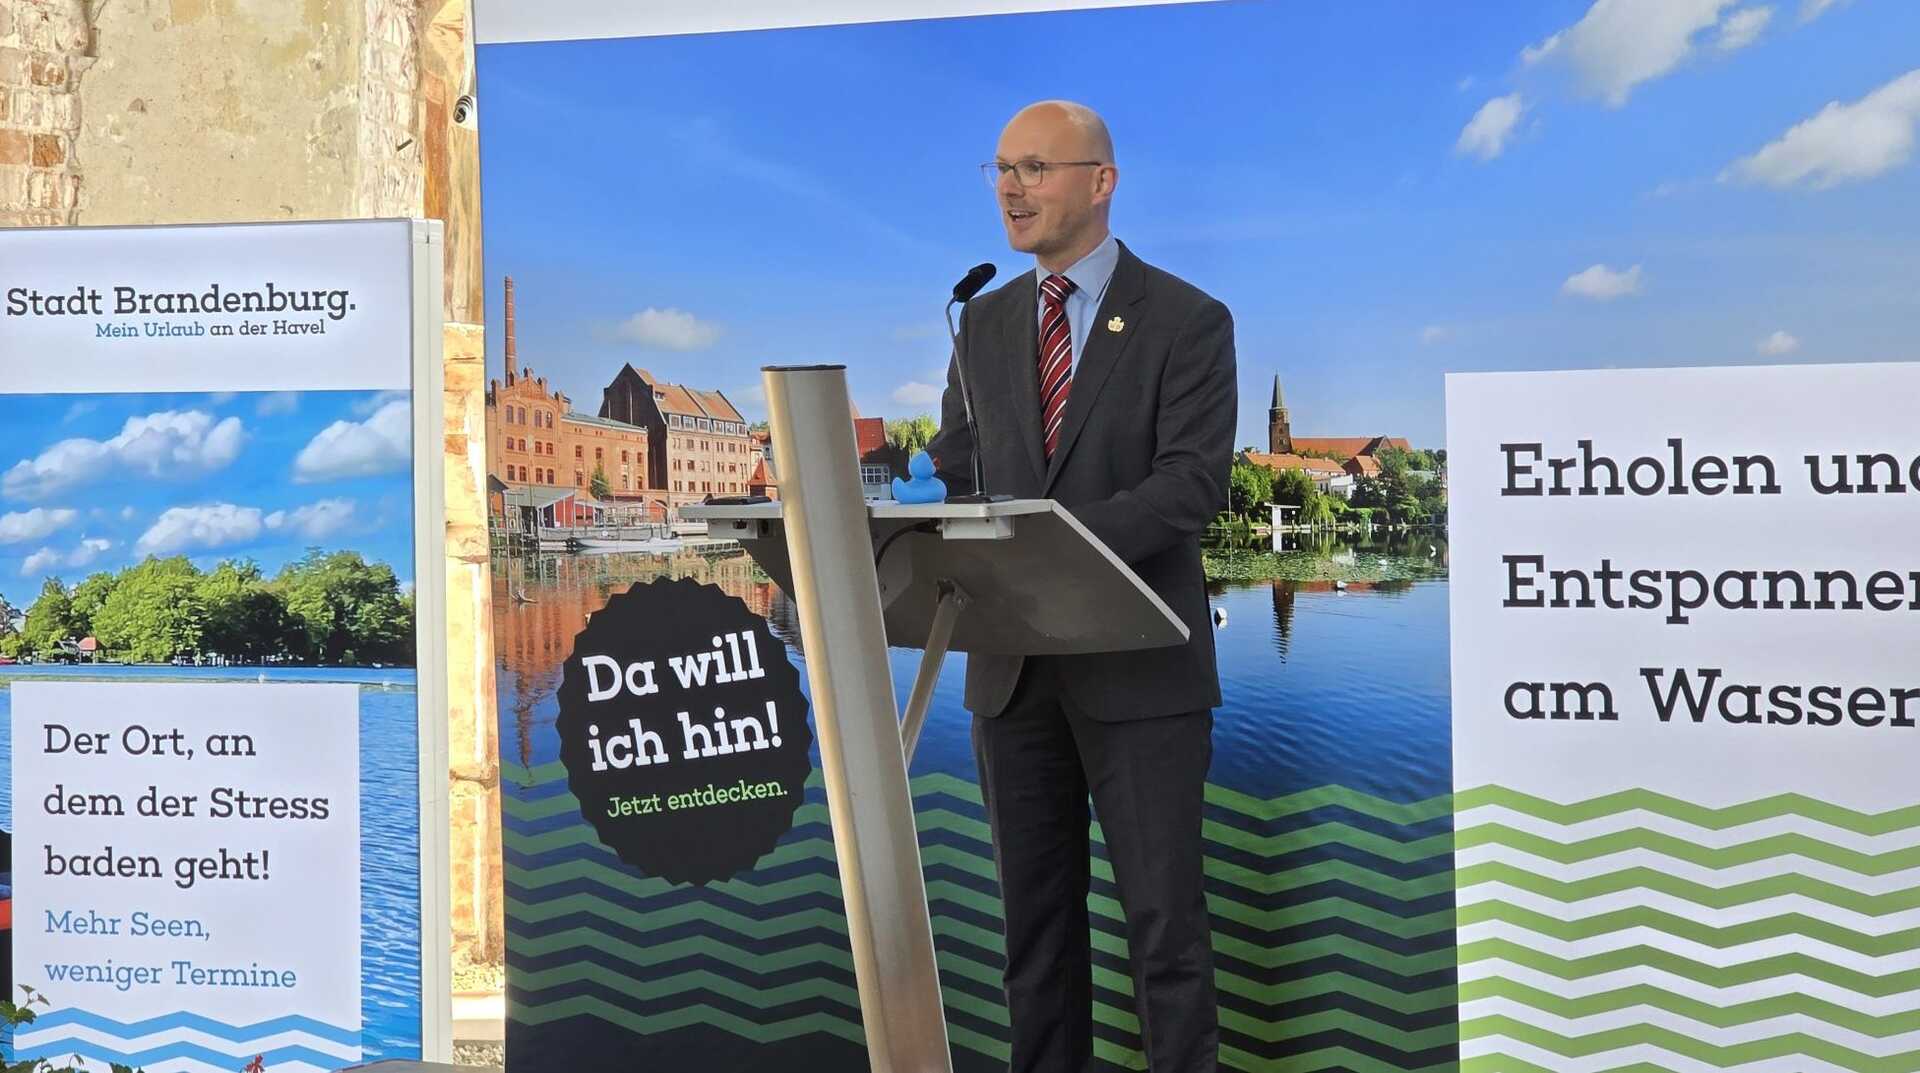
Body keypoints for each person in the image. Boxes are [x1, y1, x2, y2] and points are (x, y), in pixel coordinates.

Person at [928, 100, 1236, 1073]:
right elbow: (963, 469)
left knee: (1167, 935)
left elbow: (1190, 487)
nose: (1012, 187)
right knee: (1037, 934)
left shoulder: (1188, 319)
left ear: (1100, 182)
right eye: (1002, 168)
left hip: (1141, 672)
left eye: (1036, 167)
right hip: (1013, 671)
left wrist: (1048, 548)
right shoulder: (979, 320)